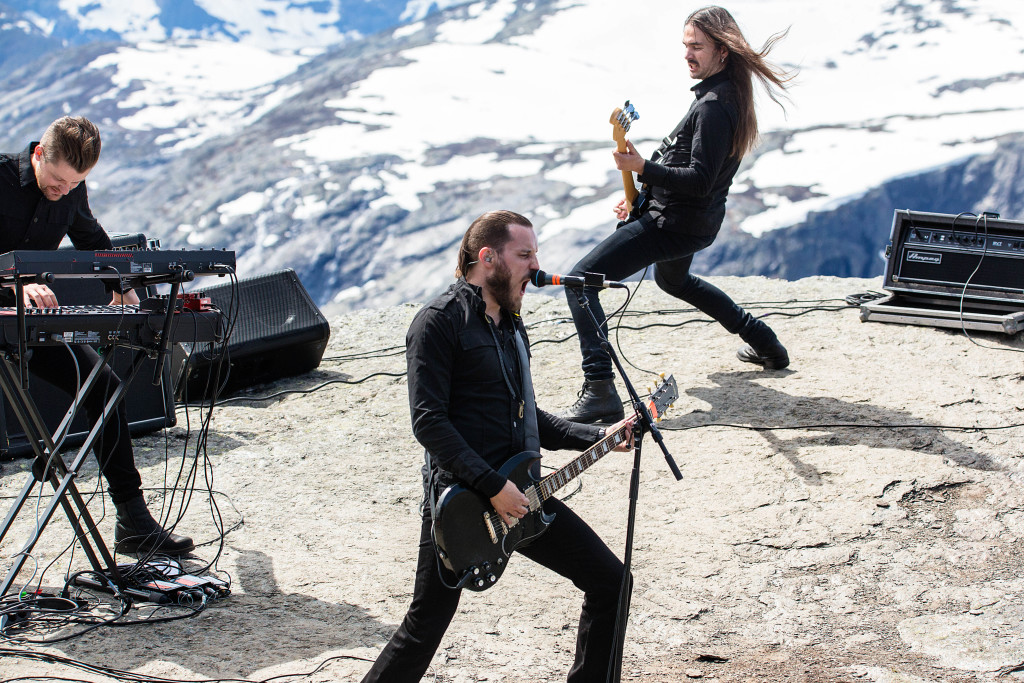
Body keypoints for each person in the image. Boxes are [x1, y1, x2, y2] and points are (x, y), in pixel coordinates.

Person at [361, 210, 633, 682]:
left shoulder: (510, 325)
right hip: (463, 501)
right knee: (425, 625)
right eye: (524, 254)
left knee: (611, 583)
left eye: (535, 254)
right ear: (487, 258)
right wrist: (491, 486)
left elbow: (529, 417)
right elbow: (428, 422)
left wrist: (598, 436)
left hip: (522, 494)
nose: (536, 266)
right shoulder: (438, 322)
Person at [562, 6, 795, 425]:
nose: (687, 54)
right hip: (690, 222)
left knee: (581, 282)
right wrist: (643, 193)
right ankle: (765, 343)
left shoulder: (715, 105)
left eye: (697, 47)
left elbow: (700, 179)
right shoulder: (722, 94)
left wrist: (642, 169)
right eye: (686, 45)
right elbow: (692, 168)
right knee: (673, 281)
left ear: (722, 51)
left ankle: (600, 392)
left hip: (673, 225)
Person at [0, 116, 193, 555]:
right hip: (9, 302)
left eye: (74, 184)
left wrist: (121, 286)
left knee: (102, 387)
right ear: (38, 155)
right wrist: (13, 282)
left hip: (23, 321)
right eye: (58, 181)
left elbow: (92, 240)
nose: (64, 190)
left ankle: (133, 522)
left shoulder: (71, 191)